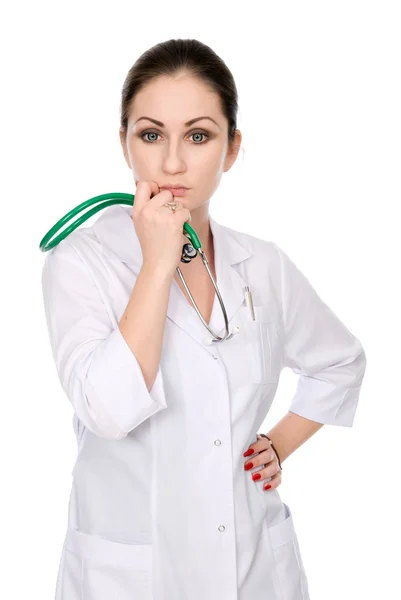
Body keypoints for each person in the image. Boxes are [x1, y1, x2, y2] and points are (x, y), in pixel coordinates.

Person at [41, 38, 367, 600]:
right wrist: (157, 264)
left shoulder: (263, 264)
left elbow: (340, 363)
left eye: (198, 135)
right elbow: (109, 410)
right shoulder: (80, 263)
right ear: (124, 144)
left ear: (232, 148)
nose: (172, 162)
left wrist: (280, 444)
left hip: (252, 568)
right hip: (129, 576)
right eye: (150, 135)